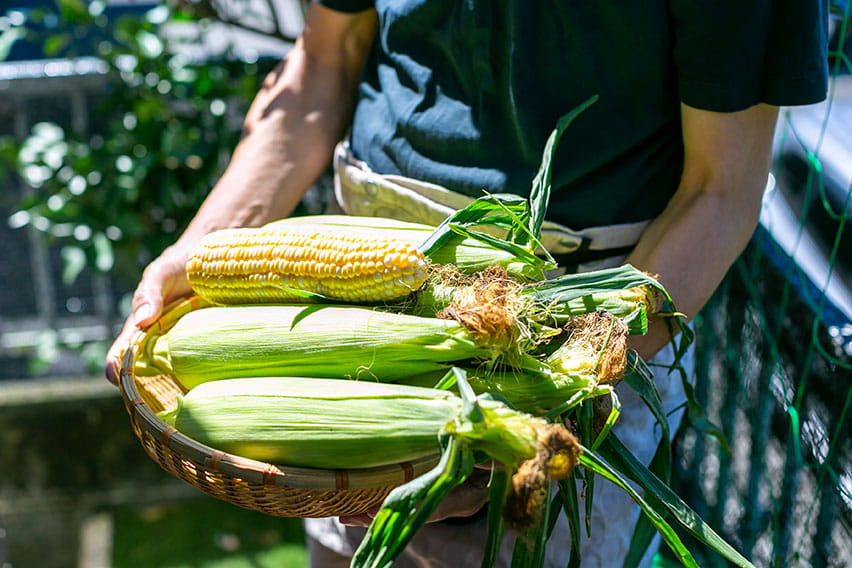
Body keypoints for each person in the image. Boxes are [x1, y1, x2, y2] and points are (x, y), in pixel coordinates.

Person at [105, 1, 829, 566]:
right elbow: (327, 55)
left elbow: (720, 189)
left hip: (572, 313)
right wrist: (201, 248)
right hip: (347, 275)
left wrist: (555, 389)